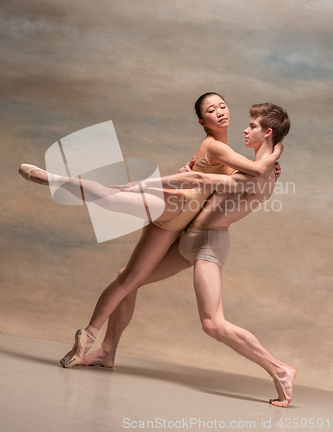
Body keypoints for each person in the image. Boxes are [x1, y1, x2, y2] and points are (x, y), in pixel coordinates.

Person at [19, 94, 282, 368]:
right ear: (202, 121)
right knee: (111, 199)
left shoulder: (228, 154)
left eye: (223, 107)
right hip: (174, 205)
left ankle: (93, 339)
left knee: (128, 278)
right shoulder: (216, 147)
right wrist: (276, 152)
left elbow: (232, 179)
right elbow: (251, 169)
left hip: (177, 226)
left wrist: (196, 167)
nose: (220, 112)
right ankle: (53, 178)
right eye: (211, 110)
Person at [78, 103, 295, 408]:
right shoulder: (256, 164)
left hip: (208, 242)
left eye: (253, 126)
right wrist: (273, 152)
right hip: (188, 238)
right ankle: (107, 351)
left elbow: (201, 181)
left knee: (212, 323)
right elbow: (209, 175)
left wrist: (144, 184)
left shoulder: (259, 175)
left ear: (267, 132)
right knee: (127, 280)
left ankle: (280, 369)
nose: (245, 130)